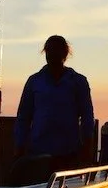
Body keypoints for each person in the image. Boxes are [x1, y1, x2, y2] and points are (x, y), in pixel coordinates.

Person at [14, 35, 95, 173]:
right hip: (38, 153)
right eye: (50, 51)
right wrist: (19, 147)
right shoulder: (34, 82)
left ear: (65, 54)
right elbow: (23, 117)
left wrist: (87, 148)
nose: (53, 54)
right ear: (45, 53)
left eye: (57, 51)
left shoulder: (78, 82)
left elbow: (87, 117)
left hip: (68, 154)